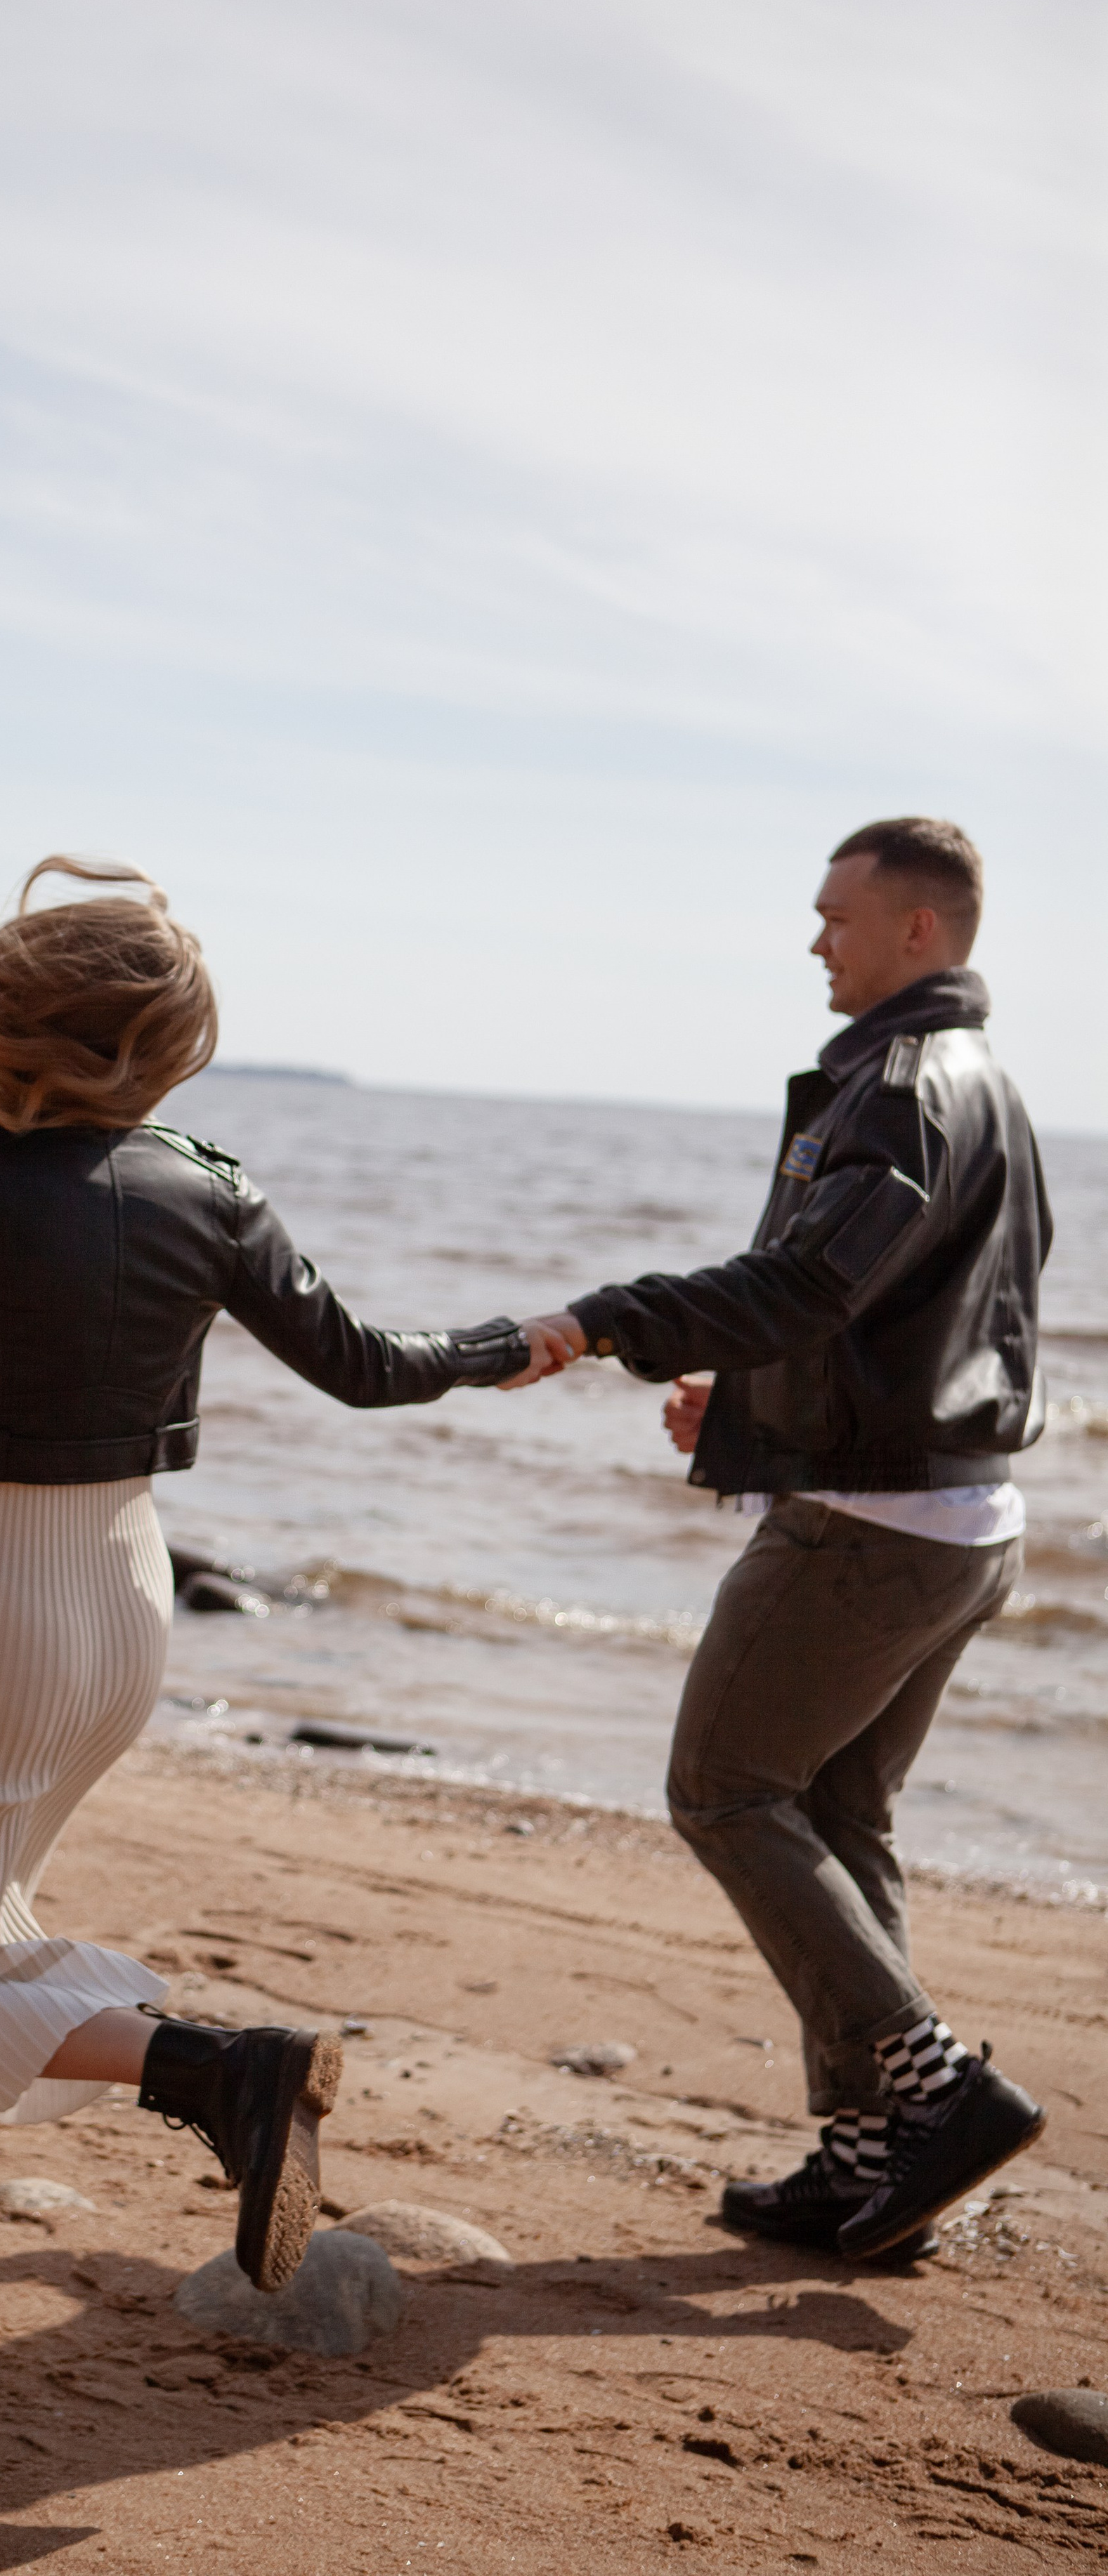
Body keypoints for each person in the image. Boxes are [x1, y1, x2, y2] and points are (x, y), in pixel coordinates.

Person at [0, 856, 547, 2348]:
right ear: (170, 1049)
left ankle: (211, 2073)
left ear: (26, 1017)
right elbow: (366, 1363)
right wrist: (523, 1339)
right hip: (127, 1591)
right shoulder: (215, 1186)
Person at [509, 818, 1050, 2263]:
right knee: (836, 1817)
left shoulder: (901, 1083)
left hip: (870, 1527)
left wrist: (605, 1318)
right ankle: (870, 2159)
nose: (813, 939)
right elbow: (909, 1313)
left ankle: (937, 2092)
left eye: (833, 916)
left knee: (726, 1791)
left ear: (915, 933)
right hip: (959, 1517)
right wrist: (748, 1400)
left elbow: (812, 1278)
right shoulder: (982, 1084)